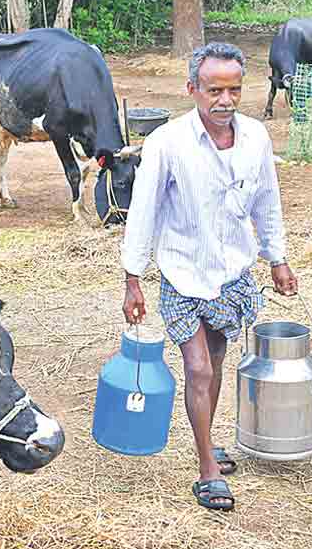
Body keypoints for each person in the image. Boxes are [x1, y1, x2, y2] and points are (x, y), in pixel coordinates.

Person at [120, 41, 298, 512]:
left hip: (233, 274)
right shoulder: (167, 143)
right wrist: (132, 277)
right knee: (197, 368)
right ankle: (207, 470)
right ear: (192, 89)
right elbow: (143, 212)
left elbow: (267, 203)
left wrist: (276, 259)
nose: (225, 100)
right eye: (214, 89)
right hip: (182, 274)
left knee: (216, 362)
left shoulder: (256, 137)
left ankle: (206, 441)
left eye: (234, 90)